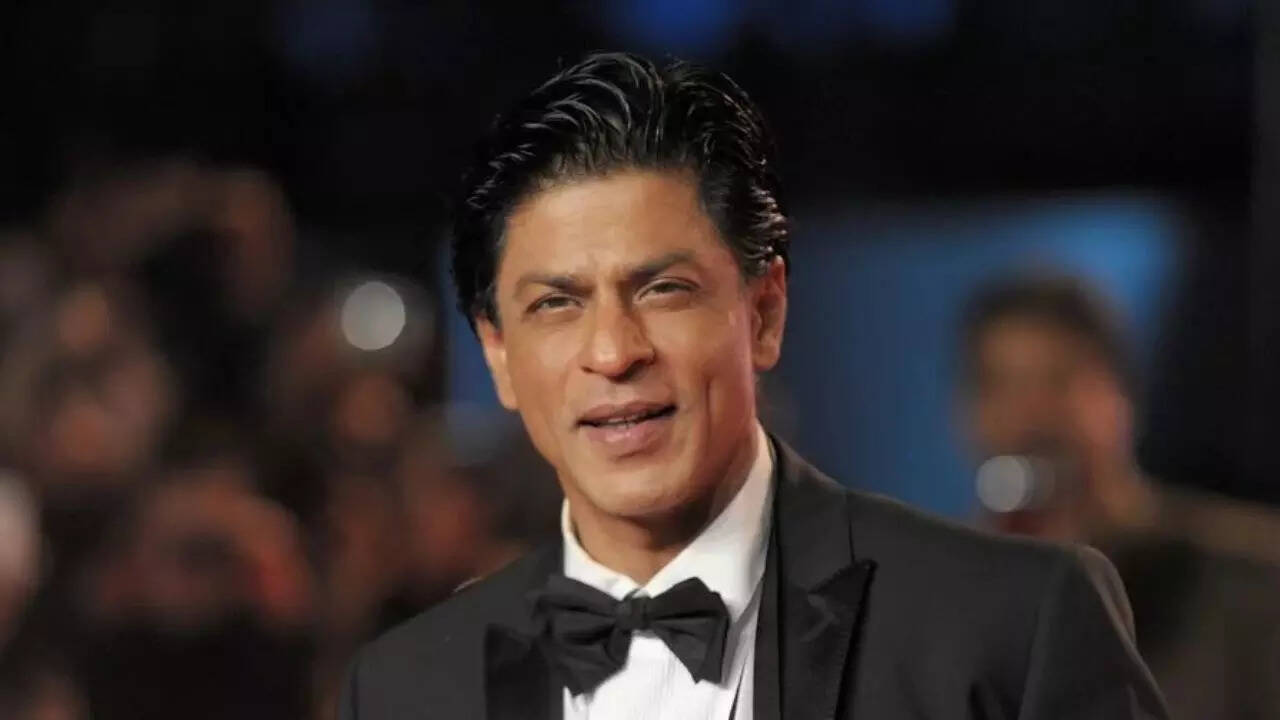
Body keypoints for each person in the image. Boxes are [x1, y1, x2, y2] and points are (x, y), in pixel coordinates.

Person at [340, 52, 1168, 720]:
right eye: (556, 304)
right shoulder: (404, 690)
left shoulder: (1010, 626)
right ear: (497, 354)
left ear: (764, 313)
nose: (613, 352)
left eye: (663, 289)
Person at [958, 273, 1280, 720]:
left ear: (1123, 397)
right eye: (1001, 385)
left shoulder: (1254, 579)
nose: (1029, 415)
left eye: (1058, 380)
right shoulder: (949, 598)